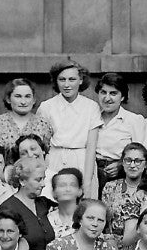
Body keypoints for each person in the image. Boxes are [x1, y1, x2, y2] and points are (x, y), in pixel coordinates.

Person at [38, 60, 102, 198]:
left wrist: (87, 182)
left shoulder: (91, 107)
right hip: (54, 160)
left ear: (80, 80)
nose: (67, 85)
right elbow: (41, 145)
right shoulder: (46, 107)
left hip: (82, 160)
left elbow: (91, 148)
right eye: (62, 79)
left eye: (72, 79)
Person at [0, 156, 59, 250]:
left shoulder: (43, 203)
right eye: (38, 180)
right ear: (22, 181)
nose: (43, 184)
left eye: (43, 179)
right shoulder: (8, 208)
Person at [94, 72, 144, 187]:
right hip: (94, 174)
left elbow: (139, 153)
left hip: (120, 174)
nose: (107, 98)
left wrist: (121, 165)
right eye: (103, 92)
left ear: (122, 96)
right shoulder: (93, 118)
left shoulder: (133, 120)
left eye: (113, 93)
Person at [0, 77, 54, 164]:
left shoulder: (43, 124)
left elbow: (46, 154)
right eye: (18, 96)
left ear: (33, 99)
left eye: (27, 96)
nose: (23, 102)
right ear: (8, 99)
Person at [102, 142, 147, 238]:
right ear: (122, 163)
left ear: (145, 164)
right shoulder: (110, 187)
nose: (132, 165)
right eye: (128, 160)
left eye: (137, 161)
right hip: (112, 243)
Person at [47, 167, 85, 241]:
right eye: (62, 185)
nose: (67, 189)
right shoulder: (47, 219)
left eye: (73, 185)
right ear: (53, 192)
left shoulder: (88, 217)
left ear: (80, 191)